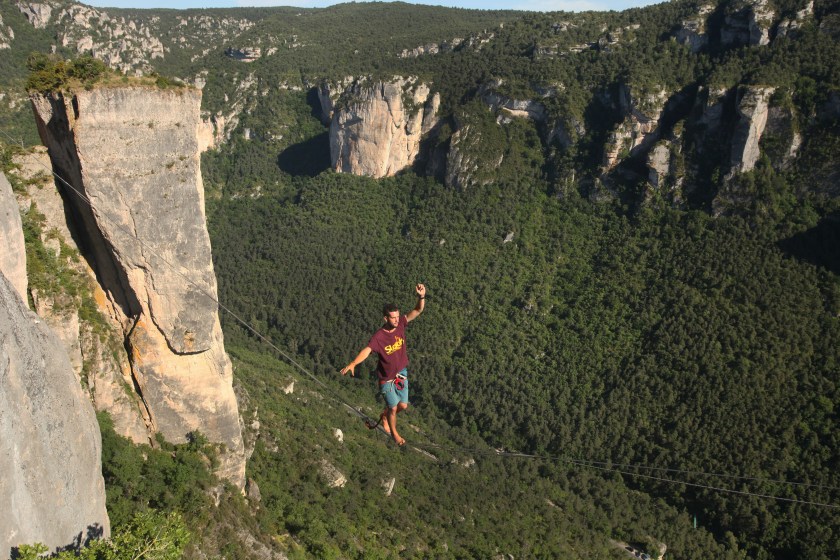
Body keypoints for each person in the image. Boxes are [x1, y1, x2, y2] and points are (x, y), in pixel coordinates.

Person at [340, 283, 426, 446]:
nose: (396, 320)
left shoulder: (401, 323)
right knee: (393, 408)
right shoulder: (379, 337)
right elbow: (367, 350)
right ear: (385, 318)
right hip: (386, 379)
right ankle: (394, 434)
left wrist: (421, 296)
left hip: (401, 373)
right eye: (392, 318)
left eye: (397, 316)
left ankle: (385, 416)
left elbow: (418, 310)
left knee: (403, 405)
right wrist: (353, 363)